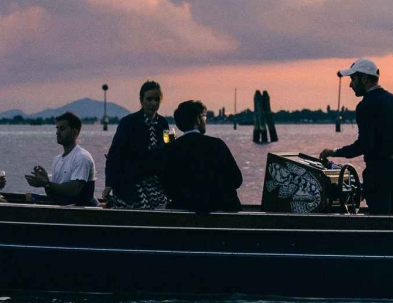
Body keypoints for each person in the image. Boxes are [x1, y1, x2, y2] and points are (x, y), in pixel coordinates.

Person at [319, 58, 393, 213]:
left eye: (353, 79)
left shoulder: (365, 106)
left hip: (381, 174)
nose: (350, 84)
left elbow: (365, 144)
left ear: (365, 79)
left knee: (380, 226)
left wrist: (335, 152)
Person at [104, 80, 174, 209]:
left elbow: (171, 151)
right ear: (141, 100)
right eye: (149, 99)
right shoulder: (128, 122)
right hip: (131, 180)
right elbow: (114, 154)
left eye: (157, 99)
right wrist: (109, 183)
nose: (153, 103)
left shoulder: (164, 123)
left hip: (156, 181)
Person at [163, 100, 242, 213]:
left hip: (183, 213)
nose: (205, 121)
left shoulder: (171, 149)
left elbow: (167, 186)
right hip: (222, 212)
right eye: (204, 118)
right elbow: (237, 180)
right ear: (197, 119)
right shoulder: (217, 145)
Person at [25, 112, 96, 205]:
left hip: (81, 214)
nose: (57, 132)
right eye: (57, 128)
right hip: (63, 211)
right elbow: (53, 194)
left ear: (74, 132)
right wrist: (46, 183)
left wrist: (47, 184)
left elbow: (75, 190)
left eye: (62, 128)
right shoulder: (57, 159)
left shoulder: (82, 157)